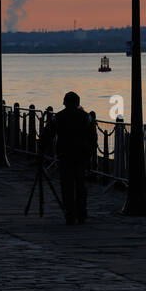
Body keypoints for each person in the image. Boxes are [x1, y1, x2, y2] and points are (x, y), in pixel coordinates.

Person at [55, 91, 94, 226]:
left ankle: (70, 214)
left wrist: (41, 151)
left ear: (65, 103)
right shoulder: (86, 117)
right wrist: (90, 153)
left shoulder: (59, 117)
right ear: (78, 103)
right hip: (81, 155)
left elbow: (48, 134)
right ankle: (81, 214)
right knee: (80, 185)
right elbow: (92, 137)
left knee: (67, 186)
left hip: (65, 155)